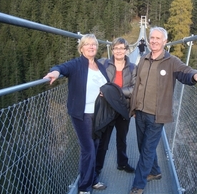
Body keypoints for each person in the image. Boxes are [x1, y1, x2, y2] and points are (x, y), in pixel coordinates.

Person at [129, 27, 197, 194]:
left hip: (157, 115)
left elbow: (184, 71)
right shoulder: (143, 59)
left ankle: (138, 185)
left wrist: (194, 75)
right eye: (152, 38)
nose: (155, 41)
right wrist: (134, 106)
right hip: (140, 111)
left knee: (147, 150)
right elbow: (137, 83)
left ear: (165, 42)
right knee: (143, 146)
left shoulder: (171, 61)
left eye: (158, 38)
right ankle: (155, 171)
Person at [43, 34, 108, 194]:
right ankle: (84, 187)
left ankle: (92, 180)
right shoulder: (77, 64)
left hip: (98, 115)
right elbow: (62, 68)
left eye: (94, 44)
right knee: (88, 150)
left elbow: (106, 86)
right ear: (81, 48)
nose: (91, 47)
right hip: (82, 114)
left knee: (95, 146)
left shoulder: (100, 66)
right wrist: (55, 72)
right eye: (87, 44)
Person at [95, 37, 137, 175]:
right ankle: (97, 167)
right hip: (107, 107)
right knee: (104, 140)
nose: (119, 51)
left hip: (123, 108)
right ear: (112, 50)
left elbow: (134, 88)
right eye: (116, 48)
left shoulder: (133, 68)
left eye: (122, 48)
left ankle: (122, 163)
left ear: (126, 50)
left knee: (122, 138)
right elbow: (92, 76)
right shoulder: (103, 64)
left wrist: (113, 93)